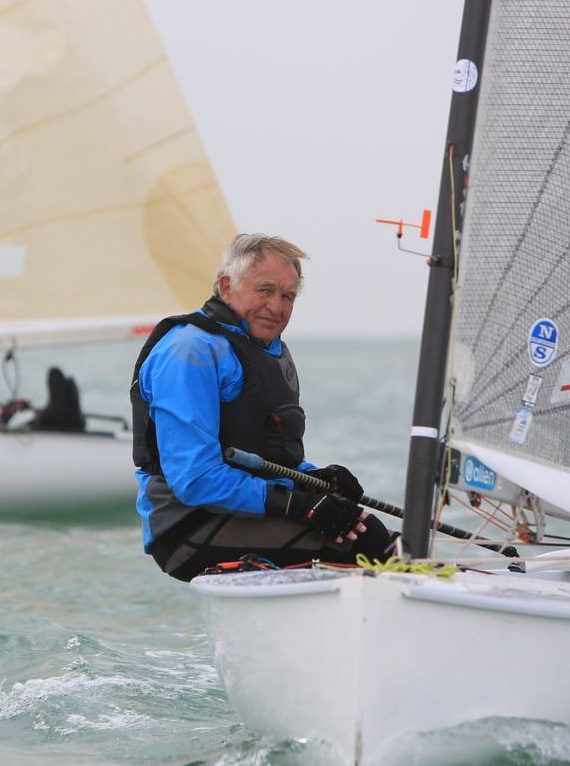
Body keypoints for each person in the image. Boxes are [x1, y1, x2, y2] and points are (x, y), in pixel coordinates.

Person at [132, 233, 396, 582]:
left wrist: (315, 480)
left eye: (288, 296)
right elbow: (195, 479)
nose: (277, 306)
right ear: (227, 287)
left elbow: (267, 455)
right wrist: (297, 505)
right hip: (187, 525)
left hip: (243, 514)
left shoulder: (268, 351)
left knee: (369, 531)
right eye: (265, 290)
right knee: (363, 547)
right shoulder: (190, 351)